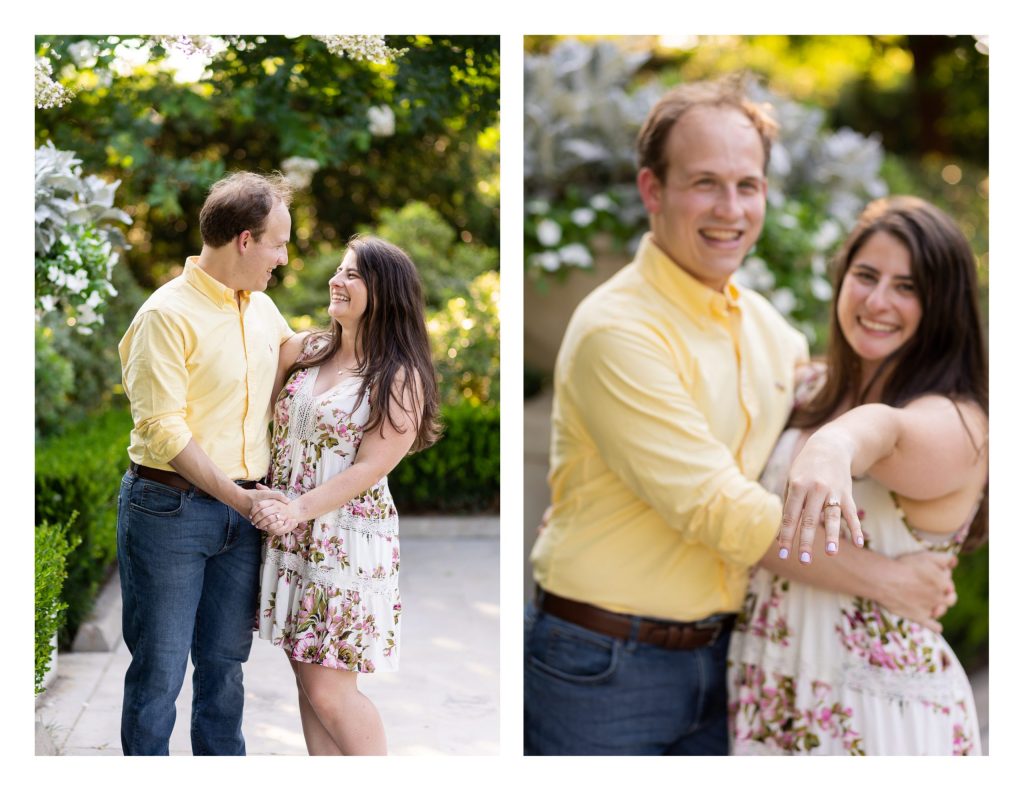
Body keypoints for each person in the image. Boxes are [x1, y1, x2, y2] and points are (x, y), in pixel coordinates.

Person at [524, 78, 958, 756]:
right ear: (652, 190)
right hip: (603, 661)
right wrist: (885, 577)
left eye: (747, 185)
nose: (731, 208)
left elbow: (820, 405)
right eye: (705, 183)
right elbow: (716, 507)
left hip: (728, 662)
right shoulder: (618, 328)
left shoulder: (770, 331)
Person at [729, 196, 988, 755]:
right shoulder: (803, 388)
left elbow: (888, 430)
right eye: (865, 276)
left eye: (907, 287)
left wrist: (835, 443)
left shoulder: (961, 423)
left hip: (877, 716)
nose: (877, 300)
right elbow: (716, 503)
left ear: (943, 305)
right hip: (766, 689)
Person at [116, 171, 296, 755]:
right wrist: (242, 500)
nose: (284, 257)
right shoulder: (165, 315)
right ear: (245, 240)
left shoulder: (263, 308)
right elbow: (164, 431)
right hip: (169, 511)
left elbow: (296, 358)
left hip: (243, 517)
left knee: (225, 670)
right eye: (277, 242)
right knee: (160, 673)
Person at [247, 236, 441, 755]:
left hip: (343, 542)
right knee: (309, 687)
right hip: (292, 537)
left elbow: (371, 469)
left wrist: (296, 509)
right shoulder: (308, 349)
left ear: (386, 293)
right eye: (340, 270)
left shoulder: (398, 376)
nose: (337, 280)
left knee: (330, 690)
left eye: (353, 275)